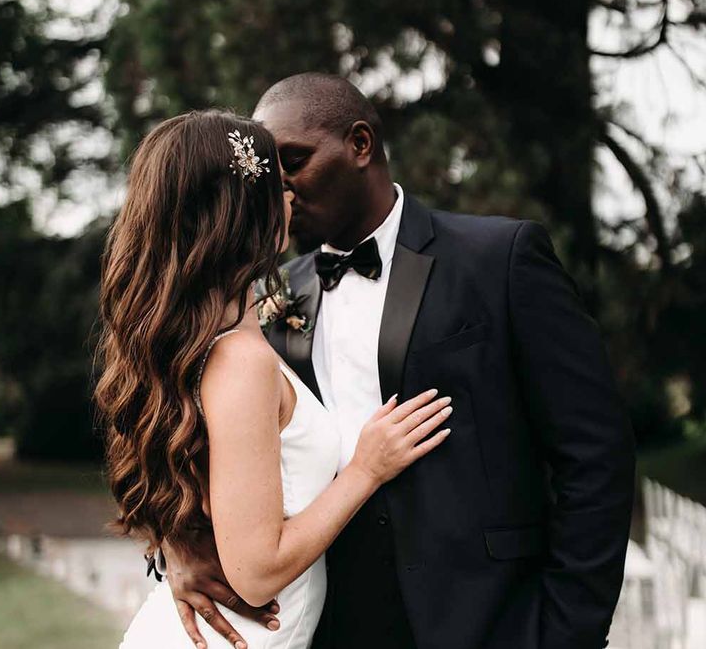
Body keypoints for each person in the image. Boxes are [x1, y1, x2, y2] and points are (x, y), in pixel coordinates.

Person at [164, 75, 637, 649]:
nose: (279, 187)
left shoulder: (499, 260)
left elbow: (596, 454)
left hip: (490, 621)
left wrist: (567, 629)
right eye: (268, 169)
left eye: (294, 160)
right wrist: (176, 546)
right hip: (328, 623)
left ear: (360, 145)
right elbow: (179, 425)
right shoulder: (271, 295)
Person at [95, 109, 452, 649]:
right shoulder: (241, 360)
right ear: (240, 211)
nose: (290, 197)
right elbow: (256, 573)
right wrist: (366, 468)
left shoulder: (221, 334)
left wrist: (176, 545)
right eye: (275, 184)